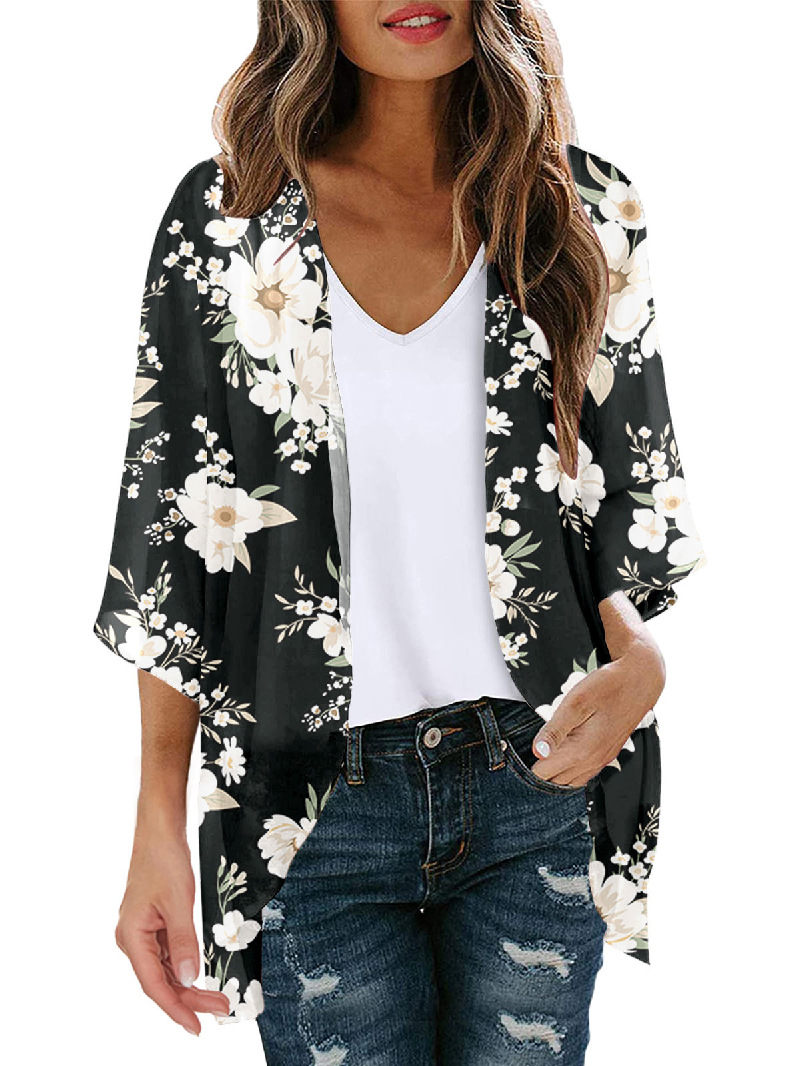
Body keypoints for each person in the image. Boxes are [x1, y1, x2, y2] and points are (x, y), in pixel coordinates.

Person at [95, 2, 706, 1063]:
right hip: (309, 808)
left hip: (537, 778)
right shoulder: (230, 221)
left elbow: (622, 498)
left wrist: (643, 661)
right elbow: (174, 542)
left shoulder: (580, 208)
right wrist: (155, 822)